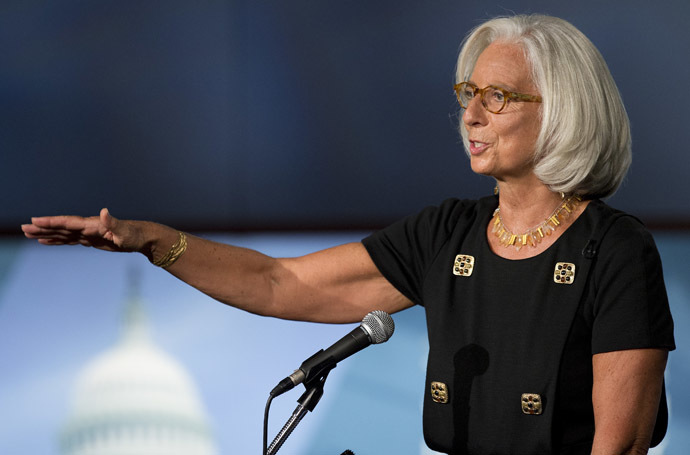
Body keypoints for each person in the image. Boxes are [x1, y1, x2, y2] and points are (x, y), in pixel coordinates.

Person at [22, 14, 674, 455]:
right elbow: (279, 282)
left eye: (497, 96)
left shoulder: (615, 250)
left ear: (560, 110)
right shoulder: (447, 232)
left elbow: (620, 443)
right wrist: (152, 240)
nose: (470, 114)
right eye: (467, 92)